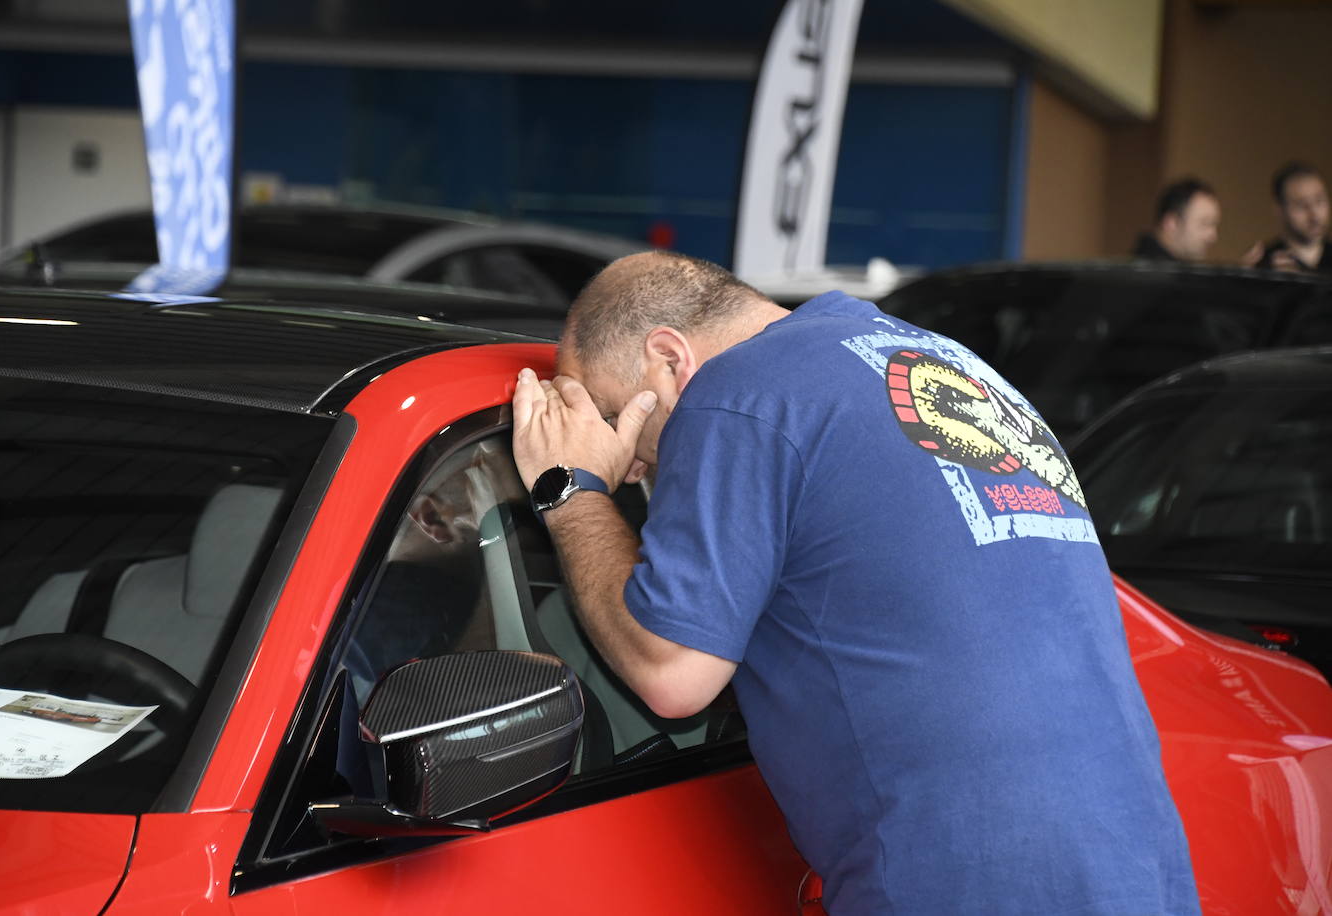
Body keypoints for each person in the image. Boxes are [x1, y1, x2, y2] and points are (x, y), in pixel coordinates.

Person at [510, 251, 1200, 915]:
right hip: (1137, 863)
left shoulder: (736, 395)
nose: (624, 461)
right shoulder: (944, 361)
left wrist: (568, 487)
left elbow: (672, 671)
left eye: (608, 416)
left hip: (965, 879)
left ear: (668, 357)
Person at [1245, 161, 1331, 273]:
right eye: (1301, 205)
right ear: (1280, 210)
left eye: (1319, 201)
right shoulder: (1264, 265)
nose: (1314, 213)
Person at [1131, 178, 1221, 262]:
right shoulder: (1146, 275)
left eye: (1214, 225)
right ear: (1171, 224)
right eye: (1204, 223)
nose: (1212, 236)